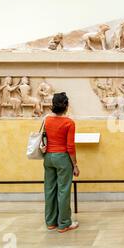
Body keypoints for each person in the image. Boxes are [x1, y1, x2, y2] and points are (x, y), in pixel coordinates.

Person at [43, 92, 80, 233]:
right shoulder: (69, 123)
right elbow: (70, 147)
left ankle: (51, 222)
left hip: (48, 158)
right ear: (66, 105)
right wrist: (75, 165)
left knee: (49, 189)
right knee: (63, 190)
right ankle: (64, 223)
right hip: (62, 158)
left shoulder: (46, 120)